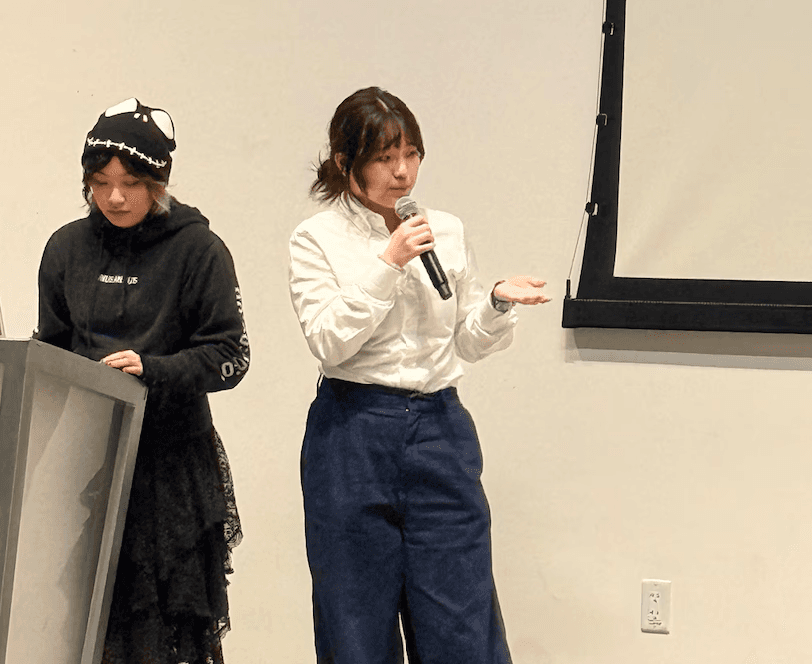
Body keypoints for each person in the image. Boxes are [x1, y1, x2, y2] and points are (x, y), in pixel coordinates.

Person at [289, 86, 550, 664]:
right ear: (346, 163)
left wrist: (497, 305)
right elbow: (328, 340)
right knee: (355, 621)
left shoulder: (446, 230)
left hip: (439, 427)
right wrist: (389, 263)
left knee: (462, 617)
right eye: (384, 158)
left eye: (411, 155)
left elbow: (466, 341)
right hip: (352, 430)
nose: (402, 173)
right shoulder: (316, 239)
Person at [36, 97, 250, 664]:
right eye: (100, 183)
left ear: (159, 181)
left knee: (167, 630)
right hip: (90, 463)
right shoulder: (66, 248)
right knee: (92, 627)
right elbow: (52, 347)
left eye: (131, 183)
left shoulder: (198, 249)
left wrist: (152, 369)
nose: (114, 197)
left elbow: (231, 355)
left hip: (172, 465)